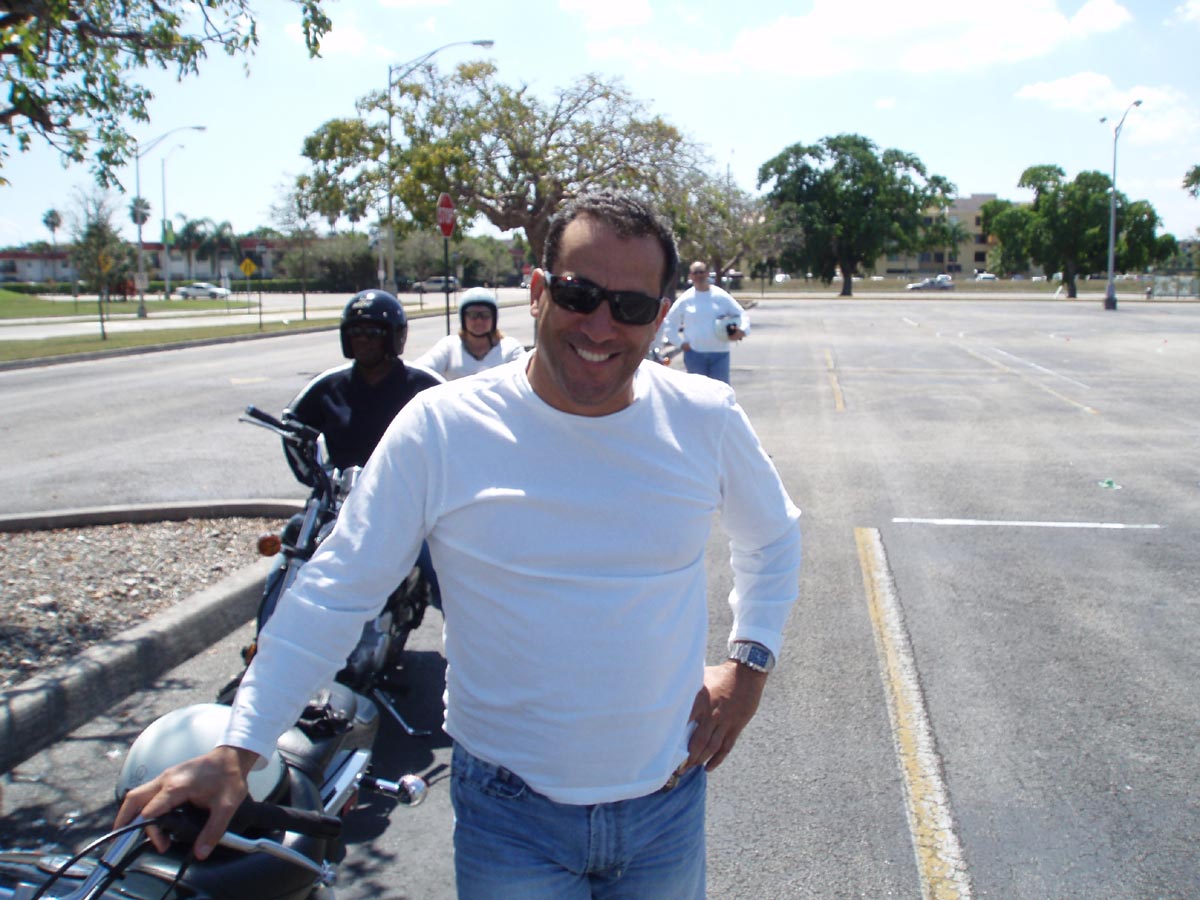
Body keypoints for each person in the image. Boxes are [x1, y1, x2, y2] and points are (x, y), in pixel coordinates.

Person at [116, 190, 802, 900]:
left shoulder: (704, 417)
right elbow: (337, 588)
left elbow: (774, 537)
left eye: (629, 306)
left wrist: (748, 666)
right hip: (511, 819)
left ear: (660, 316)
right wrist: (239, 749)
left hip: (667, 806)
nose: (600, 325)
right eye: (579, 294)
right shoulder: (442, 427)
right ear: (537, 292)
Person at [659, 261, 749, 384]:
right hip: (694, 355)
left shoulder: (721, 296)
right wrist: (679, 343)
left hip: (720, 354)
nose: (699, 275)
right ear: (690, 276)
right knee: (697, 391)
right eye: (695, 273)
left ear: (707, 274)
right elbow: (670, 321)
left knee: (720, 391)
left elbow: (741, 314)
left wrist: (742, 330)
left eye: (701, 272)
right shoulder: (685, 299)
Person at [413, 287, 525, 380]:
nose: (479, 321)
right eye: (472, 315)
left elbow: (527, 377)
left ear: (494, 318)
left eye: (485, 315)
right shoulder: (449, 346)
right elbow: (419, 371)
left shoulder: (510, 348)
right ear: (463, 318)